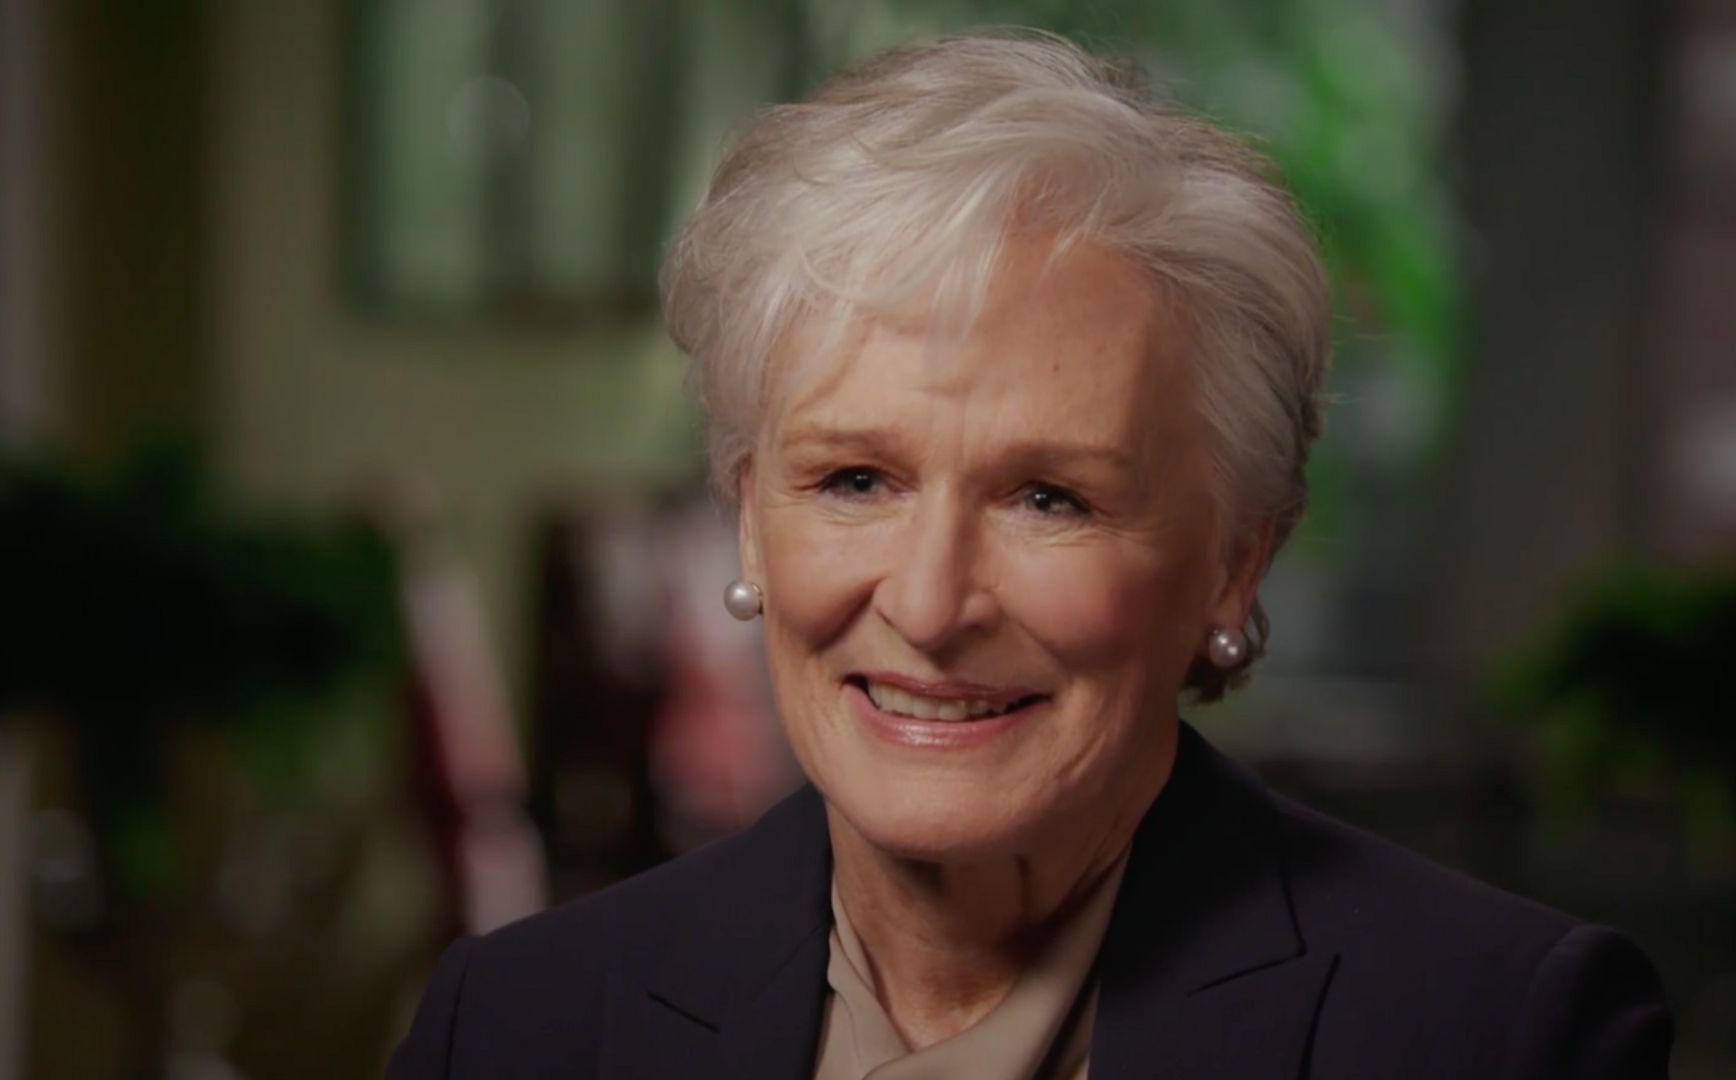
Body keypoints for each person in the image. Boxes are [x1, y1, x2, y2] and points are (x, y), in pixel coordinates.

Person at [389, 31, 1671, 1079]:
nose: (931, 602)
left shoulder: (1497, 1034)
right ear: (748, 520)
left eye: (1049, 498)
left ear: (1234, 564)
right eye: (854, 480)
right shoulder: (518, 1025)